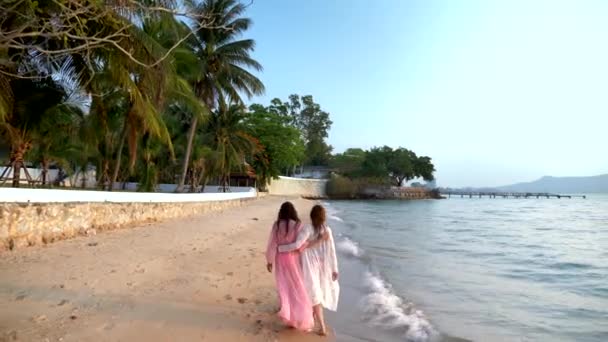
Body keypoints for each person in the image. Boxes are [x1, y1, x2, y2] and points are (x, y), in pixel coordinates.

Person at [278, 204, 339, 336]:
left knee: (313, 295)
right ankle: (311, 321)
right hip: (321, 267)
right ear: (323, 217)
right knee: (313, 294)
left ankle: (321, 326)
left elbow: (297, 245)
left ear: (312, 216)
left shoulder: (308, 228)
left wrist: (281, 249)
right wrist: (334, 269)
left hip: (308, 266)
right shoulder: (327, 230)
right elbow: (332, 251)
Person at [265, 202, 314, 331]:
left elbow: (272, 244)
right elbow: (300, 244)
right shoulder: (298, 225)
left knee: (284, 286)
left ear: (281, 212)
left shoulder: (276, 225)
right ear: (293, 212)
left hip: (280, 259)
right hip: (293, 259)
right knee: (297, 286)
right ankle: (300, 315)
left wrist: (269, 261)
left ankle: (287, 314)